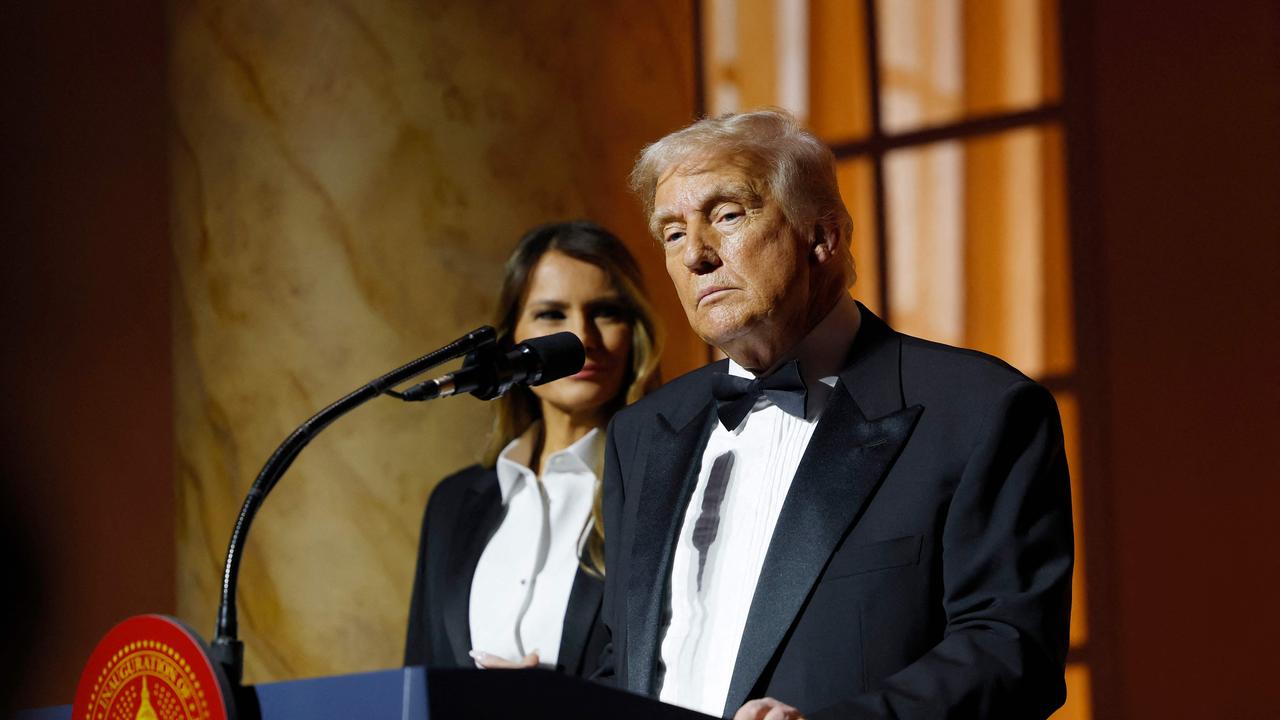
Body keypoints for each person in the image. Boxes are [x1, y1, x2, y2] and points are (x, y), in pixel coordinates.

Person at [597, 109, 1073, 719]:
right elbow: (626, 663)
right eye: (671, 233)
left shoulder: (980, 411)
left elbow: (1011, 651)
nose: (695, 255)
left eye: (726, 215)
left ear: (822, 236)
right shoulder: (642, 433)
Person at [405, 220, 662, 677]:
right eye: (551, 315)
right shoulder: (453, 504)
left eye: (605, 311)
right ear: (512, 339)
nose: (582, 337)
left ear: (634, 332)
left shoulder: (662, 490)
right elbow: (420, 679)